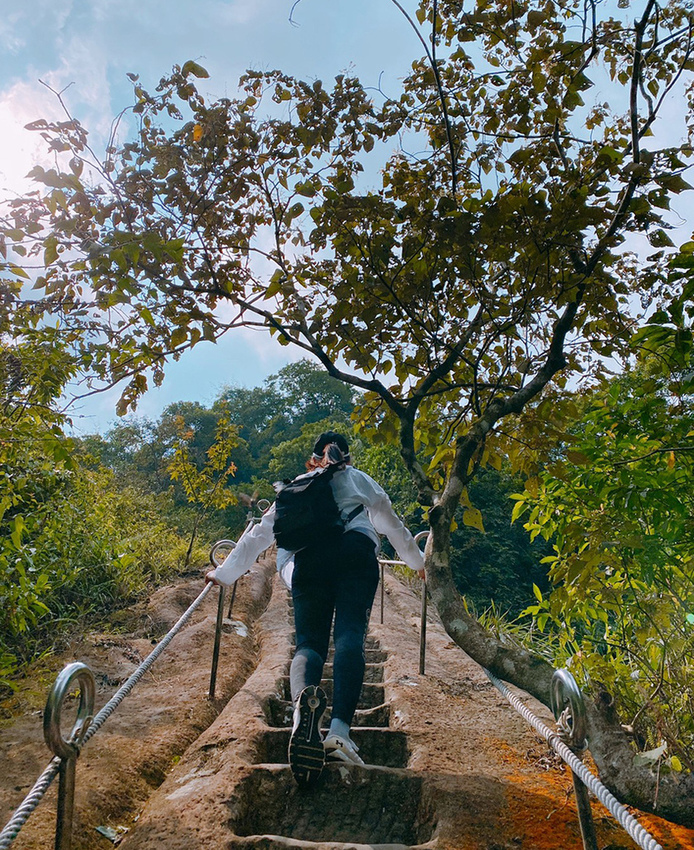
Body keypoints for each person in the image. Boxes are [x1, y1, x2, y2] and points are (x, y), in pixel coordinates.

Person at [205, 430, 425, 786]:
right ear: (348, 458)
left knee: (309, 645)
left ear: (312, 459)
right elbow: (391, 526)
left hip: (307, 563)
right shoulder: (359, 480)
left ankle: (300, 720)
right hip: (356, 553)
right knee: (350, 633)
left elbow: (261, 534)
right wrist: (417, 563)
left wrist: (224, 574)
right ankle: (339, 732)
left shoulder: (299, 485)